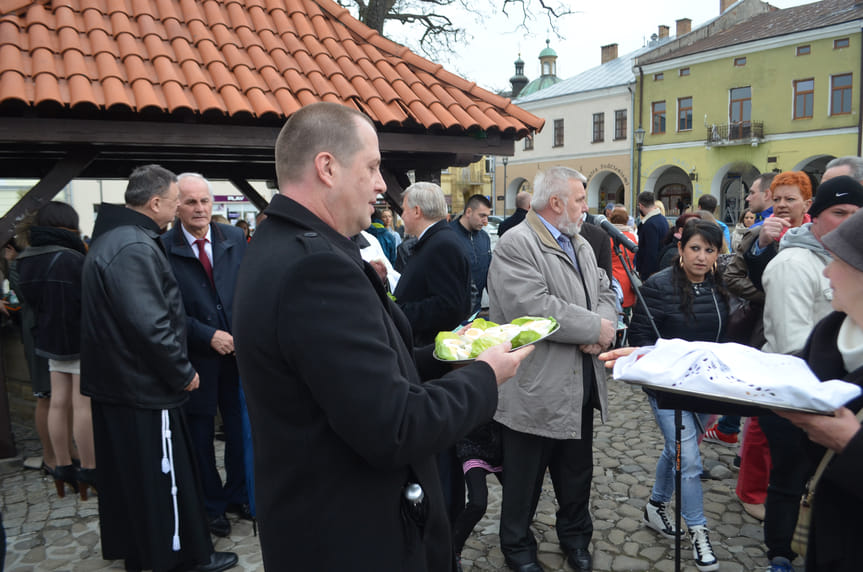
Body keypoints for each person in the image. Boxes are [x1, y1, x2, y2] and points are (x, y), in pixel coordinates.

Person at [232, 101, 532, 571]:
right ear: (327, 167)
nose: (379, 183)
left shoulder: (283, 245)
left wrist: (446, 356)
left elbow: (358, 377)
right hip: (353, 537)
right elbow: (395, 427)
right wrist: (484, 376)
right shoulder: (315, 267)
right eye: (372, 167)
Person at [81, 164, 237, 572]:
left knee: (139, 480)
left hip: (125, 386)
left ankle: (146, 551)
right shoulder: (133, 246)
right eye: (175, 202)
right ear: (155, 203)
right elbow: (150, 323)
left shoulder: (118, 238)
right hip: (143, 389)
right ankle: (181, 557)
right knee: (165, 479)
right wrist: (182, 371)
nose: (177, 211)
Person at [487, 166, 617, 572]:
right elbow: (537, 308)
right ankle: (518, 548)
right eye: (580, 199)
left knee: (577, 473)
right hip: (534, 388)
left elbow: (605, 289)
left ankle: (576, 538)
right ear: (556, 202)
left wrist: (604, 328)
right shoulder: (516, 243)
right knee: (523, 481)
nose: (586, 207)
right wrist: (597, 326)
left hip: (579, 383)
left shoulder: (579, 242)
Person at [757, 175, 862, 572]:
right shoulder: (827, 329)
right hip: (801, 396)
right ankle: (781, 554)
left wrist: (851, 444)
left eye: (838, 263)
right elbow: (788, 347)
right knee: (789, 480)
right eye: (838, 212)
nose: (828, 274)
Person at [628, 220, 728, 572]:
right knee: (689, 460)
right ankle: (698, 530)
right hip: (668, 390)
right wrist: (664, 367)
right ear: (682, 249)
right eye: (695, 248)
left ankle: (655, 506)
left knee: (677, 450)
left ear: (718, 254)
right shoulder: (658, 286)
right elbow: (637, 340)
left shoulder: (719, 287)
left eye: (710, 250)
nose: (702, 257)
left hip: (708, 390)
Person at [162, 173, 250, 538]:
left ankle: (238, 495)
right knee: (199, 436)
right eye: (191, 202)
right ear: (176, 206)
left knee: (239, 429)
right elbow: (164, 309)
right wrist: (206, 334)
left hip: (237, 354)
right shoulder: (163, 247)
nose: (199, 209)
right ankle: (211, 506)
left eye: (204, 201)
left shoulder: (232, 238)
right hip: (196, 357)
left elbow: (247, 288)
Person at [15, 202, 95, 497]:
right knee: (82, 405)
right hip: (76, 338)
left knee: (57, 403)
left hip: (48, 339)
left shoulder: (27, 258)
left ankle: (62, 467)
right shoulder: (71, 257)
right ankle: (90, 469)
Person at [394, 182, 472, 346]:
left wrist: (399, 312)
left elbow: (448, 306)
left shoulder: (442, 244)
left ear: (417, 211)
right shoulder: (435, 240)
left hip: (431, 348)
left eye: (403, 210)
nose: (402, 216)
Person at [451, 194, 492, 314]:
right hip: (454, 310)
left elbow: (489, 273)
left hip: (476, 310)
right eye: (482, 216)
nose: (486, 222)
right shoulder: (448, 236)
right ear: (468, 212)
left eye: (487, 216)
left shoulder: (485, 238)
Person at [608, 206, 638, 313]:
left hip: (613, 280)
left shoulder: (608, 237)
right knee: (626, 313)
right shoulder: (632, 237)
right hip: (628, 280)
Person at [635, 191, 669, 280]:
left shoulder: (649, 224)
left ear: (640, 205)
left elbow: (650, 252)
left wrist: (646, 273)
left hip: (651, 273)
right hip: (661, 269)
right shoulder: (663, 220)